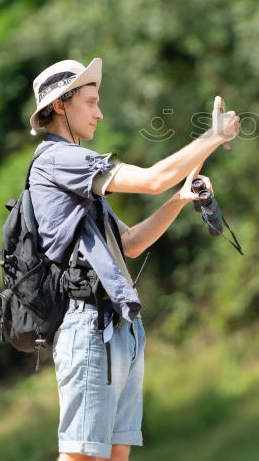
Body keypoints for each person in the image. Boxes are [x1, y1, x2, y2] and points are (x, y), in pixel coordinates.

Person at [25, 57, 240, 461]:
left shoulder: (81, 182)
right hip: (88, 325)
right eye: (90, 102)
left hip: (120, 326)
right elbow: (153, 178)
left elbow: (131, 243)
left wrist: (179, 199)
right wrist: (213, 137)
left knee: (115, 456)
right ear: (60, 106)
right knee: (83, 457)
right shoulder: (58, 160)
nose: (99, 112)